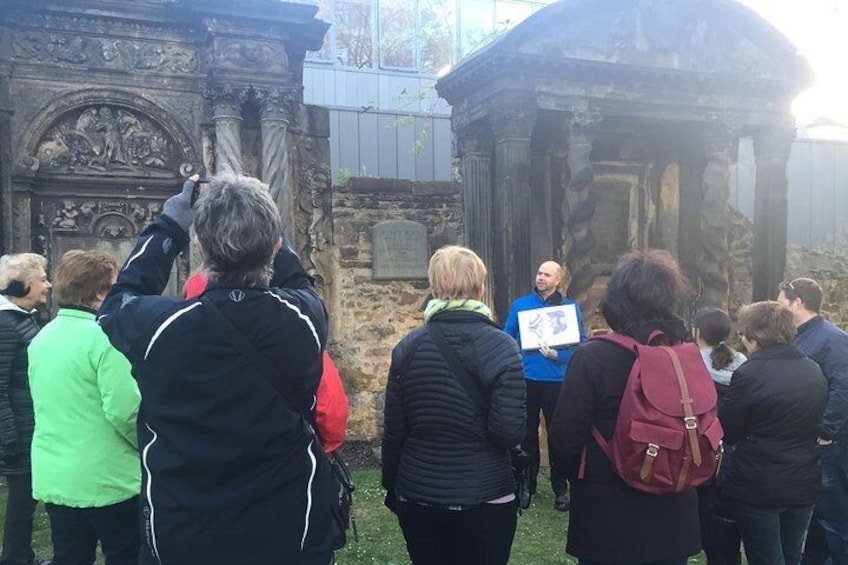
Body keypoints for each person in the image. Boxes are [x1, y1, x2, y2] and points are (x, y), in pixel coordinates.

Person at [98, 172, 335, 564]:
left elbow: (118, 301)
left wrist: (170, 223)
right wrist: (268, 224)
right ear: (274, 245)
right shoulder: (304, 320)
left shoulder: (161, 328)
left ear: (201, 246)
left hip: (185, 531)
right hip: (288, 530)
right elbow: (300, 282)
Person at [549, 249, 700, 564]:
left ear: (615, 301)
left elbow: (565, 436)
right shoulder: (686, 356)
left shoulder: (593, 357)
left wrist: (569, 476)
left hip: (607, 510)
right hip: (672, 505)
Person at [382, 245, 526, 565]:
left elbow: (395, 431)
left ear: (435, 287)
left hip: (419, 491)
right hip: (486, 494)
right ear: (479, 289)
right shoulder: (503, 347)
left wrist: (391, 485)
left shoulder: (408, 348)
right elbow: (508, 432)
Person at [28, 250, 141, 565]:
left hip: (57, 476)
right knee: (124, 556)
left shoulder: (41, 338)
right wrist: (145, 445)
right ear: (100, 293)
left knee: (69, 557)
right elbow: (125, 410)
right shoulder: (106, 338)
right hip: (108, 477)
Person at [184, 270, 348, 453]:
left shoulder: (170, 343)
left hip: (204, 462)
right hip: (280, 459)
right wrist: (325, 445)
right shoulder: (296, 338)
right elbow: (330, 410)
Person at [720, 301, 828, 565]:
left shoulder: (749, 373)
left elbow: (731, 431)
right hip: (803, 479)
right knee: (792, 555)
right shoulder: (813, 369)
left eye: (743, 334)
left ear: (754, 337)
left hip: (760, 483)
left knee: (765, 558)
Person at [503, 260, 586, 511]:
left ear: (558, 280)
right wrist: (519, 353)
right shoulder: (521, 305)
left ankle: (560, 488)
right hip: (527, 379)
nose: (541, 278)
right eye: (539, 273)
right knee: (526, 435)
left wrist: (558, 357)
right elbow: (505, 338)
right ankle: (527, 485)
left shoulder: (570, 309)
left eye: (547, 275)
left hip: (557, 381)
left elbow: (581, 345)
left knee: (557, 435)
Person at [777, 278, 848, 565]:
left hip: (828, 443)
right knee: (815, 512)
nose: (778, 307)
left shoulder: (832, 339)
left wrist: (827, 430)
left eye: (782, 302)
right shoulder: (797, 336)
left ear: (798, 303)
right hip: (806, 441)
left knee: (834, 513)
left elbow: (844, 386)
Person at [0, 252, 51, 565]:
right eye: (42, 279)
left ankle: (20, 556)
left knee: (26, 499)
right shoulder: (5, 326)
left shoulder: (22, 319)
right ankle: (15, 559)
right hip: (19, 432)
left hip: (31, 426)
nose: (47, 285)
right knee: (21, 500)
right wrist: (9, 439)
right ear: (21, 286)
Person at [692, 307, 746, 565]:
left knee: (704, 511)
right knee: (726, 526)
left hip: (702, 446)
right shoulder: (742, 362)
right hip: (734, 450)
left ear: (697, 331)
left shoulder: (689, 362)